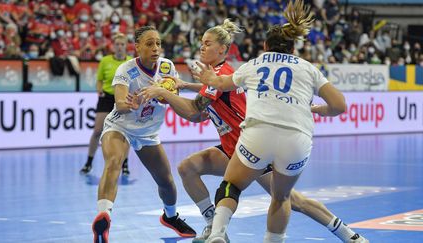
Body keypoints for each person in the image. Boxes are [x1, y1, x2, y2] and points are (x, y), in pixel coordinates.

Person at [140, 18, 368, 243]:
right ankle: (213, 226)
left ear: (222, 49)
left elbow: (193, 112)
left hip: (248, 145)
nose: (201, 46)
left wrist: (163, 92)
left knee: (292, 200)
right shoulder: (221, 72)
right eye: (201, 41)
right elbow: (205, 105)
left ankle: (347, 234)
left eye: (207, 43)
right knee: (188, 167)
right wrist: (185, 86)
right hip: (235, 145)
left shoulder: (226, 71)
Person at [91, 26, 196, 243]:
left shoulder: (167, 67)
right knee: (114, 162)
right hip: (120, 126)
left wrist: (164, 94)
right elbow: (119, 104)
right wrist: (131, 103)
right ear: (137, 47)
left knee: (166, 181)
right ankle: (104, 216)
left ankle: (170, 216)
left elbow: (172, 95)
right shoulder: (125, 70)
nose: (155, 48)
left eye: (158, 43)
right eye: (149, 44)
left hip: (148, 133)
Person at [80, 33, 132, 176]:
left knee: (125, 134)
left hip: (123, 98)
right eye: (117, 44)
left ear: (126, 46)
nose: (120, 47)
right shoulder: (105, 61)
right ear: (113, 46)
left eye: (122, 44)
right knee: (97, 131)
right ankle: (89, 163)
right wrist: (99, 90)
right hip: (107, 97)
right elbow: (99, 80)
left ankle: (125, 164)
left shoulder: (131, 62)